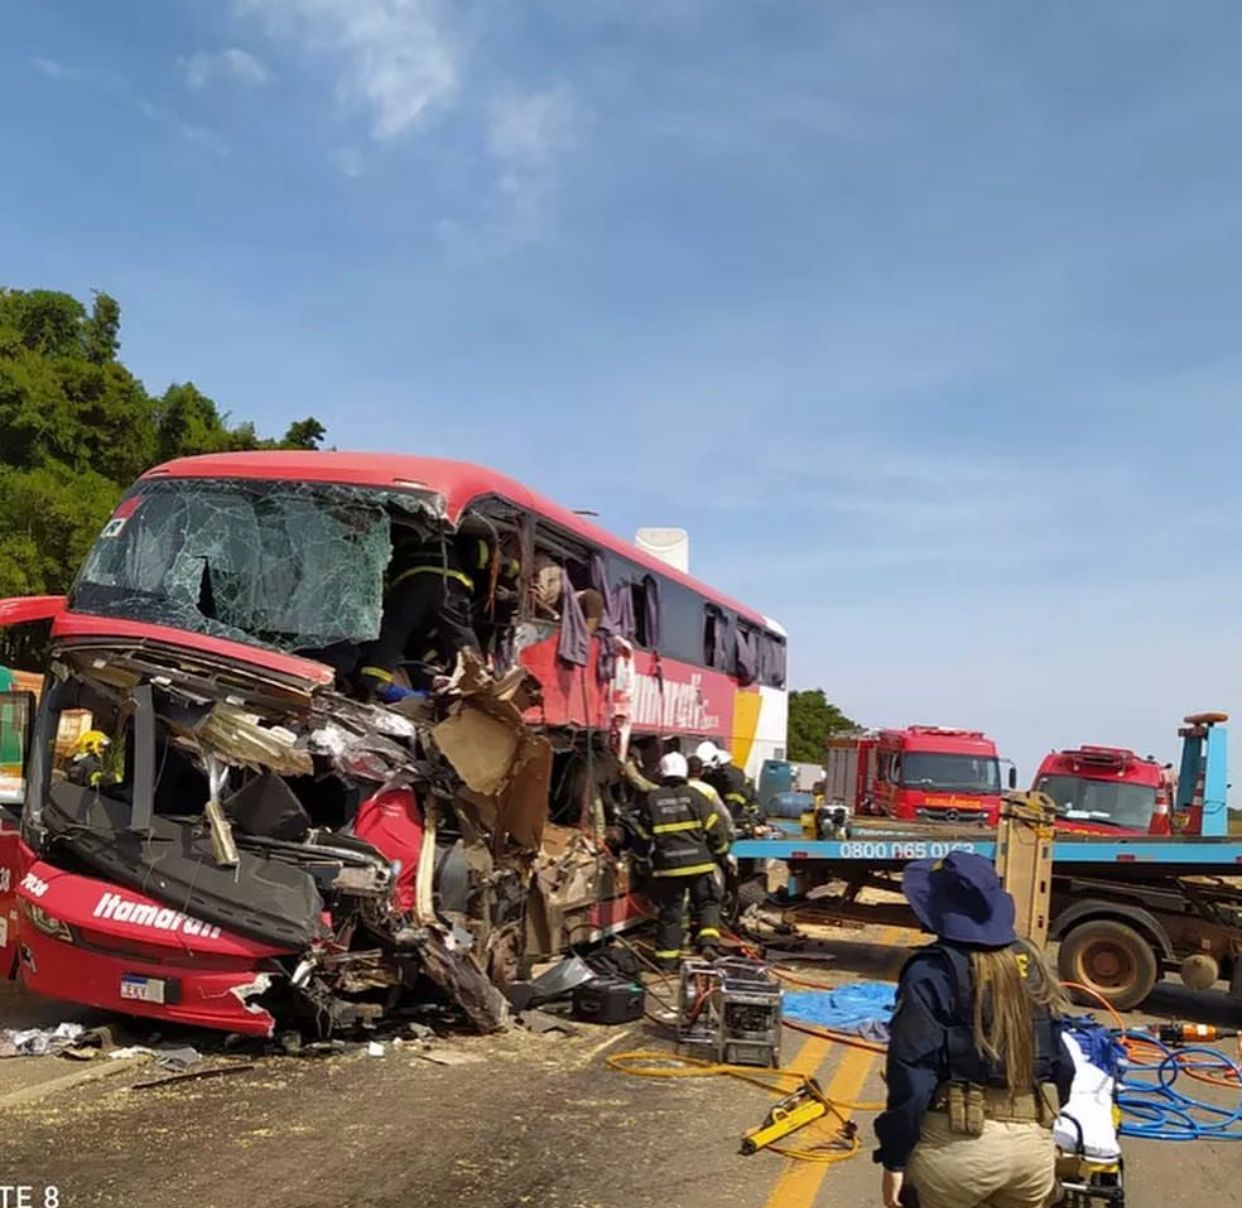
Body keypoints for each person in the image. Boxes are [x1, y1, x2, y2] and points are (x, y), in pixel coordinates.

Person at [874, 852, 1074, 1208]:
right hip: (1032, 1153)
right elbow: (1064, 1066)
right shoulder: (1029, 962)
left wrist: (894, 1160)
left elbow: (912, 1077)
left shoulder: (931, 972)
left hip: (958, 1151)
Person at [358, 529, 486, 702]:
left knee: (392, 633)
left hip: (410, 581)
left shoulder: (404, 535)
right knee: (461, 636)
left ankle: (371, 684)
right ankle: (478, 685)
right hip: (450, 582)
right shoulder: (462, 538)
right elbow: (481, 559)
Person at [632, 751, 732, 968]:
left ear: (662, 772)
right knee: (708, 902)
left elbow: (642, 836)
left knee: (671, 912)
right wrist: (722, 852)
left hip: (667, 867)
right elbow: (716, 829)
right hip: (700, 864)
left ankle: (667, 962)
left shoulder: (652, 799)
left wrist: (640, 860)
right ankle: (708, 944)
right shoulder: (697, 797)